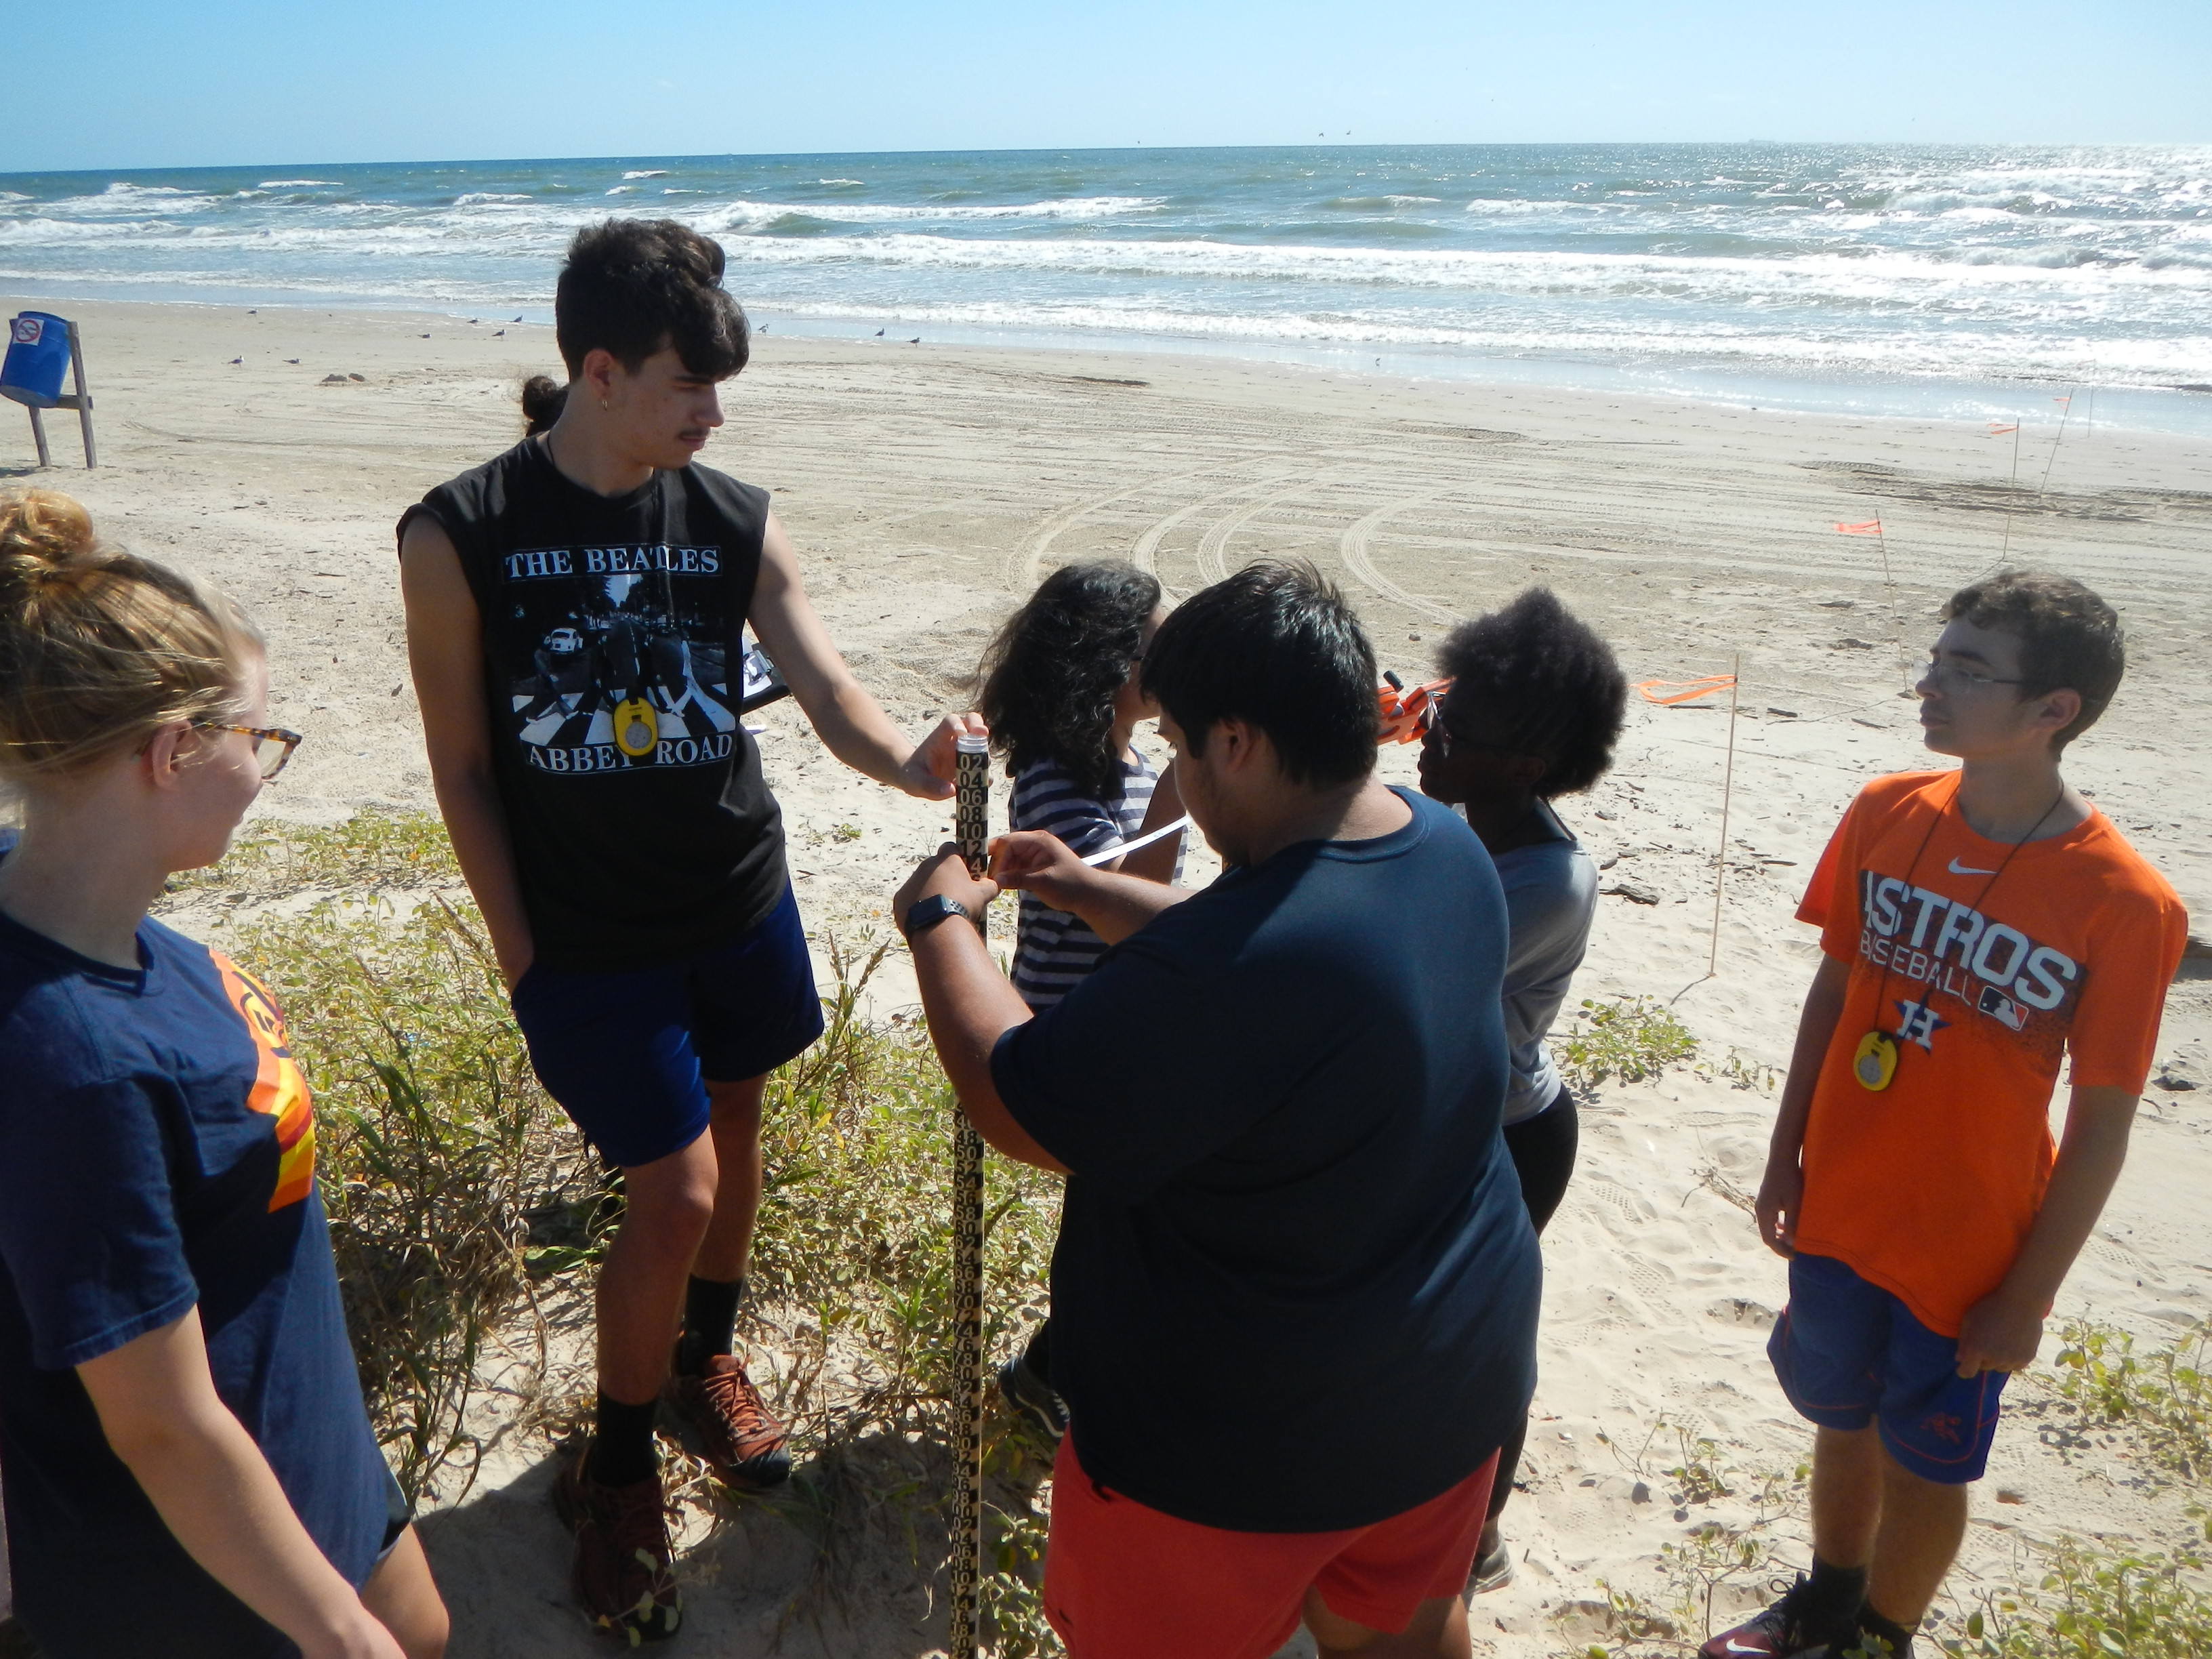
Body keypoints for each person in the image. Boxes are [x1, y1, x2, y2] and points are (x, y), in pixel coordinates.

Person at [396, 219, 979, 1643]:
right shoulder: (459, 532)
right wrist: (518, 945)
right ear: (599, 372)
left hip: (737, 901)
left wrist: (907, 758)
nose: (714, 413)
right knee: (676, 1195)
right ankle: (615, 1461)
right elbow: (463, 764)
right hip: (588, 939)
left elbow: (824, 682)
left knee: (741, 1130)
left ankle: (705, 1366)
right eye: (687, 385)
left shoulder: (728, 516)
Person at [894, 560, 1541, 1659]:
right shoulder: (1441, 849)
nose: (1182, 772)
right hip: (1450, 1390)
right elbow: (1253, 952)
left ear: (1234, 742)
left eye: (1185, 748)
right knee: (1402, 1632)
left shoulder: (1228, 975)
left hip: (1232, 1453)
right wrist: (1089, 885)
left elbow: (1021, 1100)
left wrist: (941, 925)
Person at [0, 490, 448, 1659]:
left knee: (430, 1625)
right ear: (170, 754)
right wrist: (339, 1633)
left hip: (304, 1439)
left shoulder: (56, 896)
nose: (267, 766)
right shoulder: (76, 1068)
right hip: (200, 1573)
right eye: (262, 740)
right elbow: (164, 1429)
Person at [1708, 572, 2188, 1659]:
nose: (1931, 683)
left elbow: (2104, 1123)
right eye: (1938, 658)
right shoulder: (1887, 811)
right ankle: (1828, 1600)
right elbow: (1834, 993)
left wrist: (2029, 1295)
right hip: (1842, 1203)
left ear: (2053, 710)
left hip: (1968, 1244)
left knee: (1927, 1455)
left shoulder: (2125, 901)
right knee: (1841, 1414)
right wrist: (1785, 1158)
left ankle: (1883, 1634)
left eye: (1969, 670)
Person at [1414, 587, 1626, 1592]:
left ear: (1528, 766)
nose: (1431, 728)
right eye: (1438, 705)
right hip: (1447, 1121)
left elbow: (1404, 956)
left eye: (1456, 725)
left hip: (1509, 1138)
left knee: (1485, 1341)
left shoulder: (1547, 880)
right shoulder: (1454, 818)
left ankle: (1479, 1536)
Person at [973, 558, 1186, 1441]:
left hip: (1125, 1035)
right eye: (1155, 646)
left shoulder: (1125, 766)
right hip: (1080, 1039)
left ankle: (1059, 1366)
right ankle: (1052, 1373)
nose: (1172, 663)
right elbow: (1118, 910)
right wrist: (1187, 777)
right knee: (1115, 1222)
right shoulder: (1061, 779)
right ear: (1107, 663)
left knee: (1124, 1220)